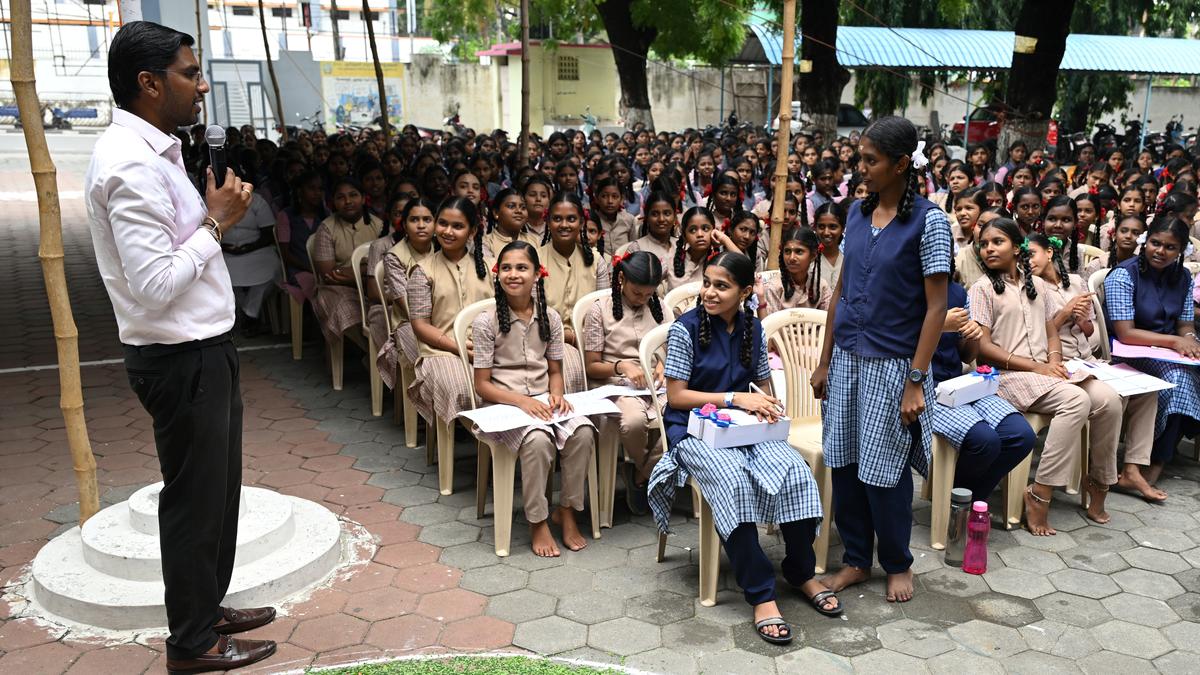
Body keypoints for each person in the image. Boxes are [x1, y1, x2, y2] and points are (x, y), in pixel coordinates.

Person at [86, 21, 276, 672]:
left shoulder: (159, 150)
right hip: (180, 357)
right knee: (194, 502)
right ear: (148, 83)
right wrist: (218, 223)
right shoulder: (127, 165)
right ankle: (191, 644)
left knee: (219, 491)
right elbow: (157, 282)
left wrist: (208, 218)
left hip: (205, 347)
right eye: (189, 74)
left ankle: (208, 604)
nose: (201, 86)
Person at [647, 251, 833, 646]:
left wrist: (767, 406)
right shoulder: (686, 329)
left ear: (745, 291)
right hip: (695, 432)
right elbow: (676, 397)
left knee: (796, 472)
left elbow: (762, 388)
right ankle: (761, 592)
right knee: (733, 483)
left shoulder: (753, 328)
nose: (709, 293)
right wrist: (734, 399)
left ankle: (800, 572)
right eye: (708, 283)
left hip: (744, 429)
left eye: (722, 286)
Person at [811, 116, 951, 604]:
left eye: (870, 160)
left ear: (899, 164)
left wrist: (916, 380)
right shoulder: (855, 213)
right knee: (846, 461)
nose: (862, 168)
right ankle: (855, 559)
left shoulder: (930, 222)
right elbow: (841, 292)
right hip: (848, 358)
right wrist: (825, 359)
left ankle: (896, 561)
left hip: (894, 364)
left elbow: (937, 308)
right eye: (861, 158)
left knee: (884, 466)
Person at [971, 218, 1118, 534]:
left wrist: (1054, 361)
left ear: (1016, 247)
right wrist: (1037, 367)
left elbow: (1052, 326)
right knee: (1077, 401)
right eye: (984, 244)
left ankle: (1098, 481)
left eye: (997, 242)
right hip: (1006, 377)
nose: (989, 249)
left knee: (1109, 400)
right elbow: (981, 348)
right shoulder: (982, 289)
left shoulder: (1036, 284)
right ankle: (1040, 493)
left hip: (1044, 372)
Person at [473, 241, 597, 556]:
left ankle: (567, 511)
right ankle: (537, 521)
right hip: (503, 405)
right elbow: (482, 386)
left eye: (522, 267)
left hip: (543, 401)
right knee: (539, 441)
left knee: (582, 432)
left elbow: (555, 371)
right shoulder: (487, 321)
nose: (514, 274)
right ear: (496, 273)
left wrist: (556, 394)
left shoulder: (551, 318)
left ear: (537, 275)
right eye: (507, 268)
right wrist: (522, 401)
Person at [1027, 234, 1162, 503]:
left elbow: (1088, 329)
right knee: (1113, 398)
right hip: (1061, 362)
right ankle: (1098, 475)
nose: (1027, 261)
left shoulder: (1075, 282)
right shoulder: (1032, 287)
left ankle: (1133, 467)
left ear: (1050, 253)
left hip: (1089, 359)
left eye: (1031, 254)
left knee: (1149, 391)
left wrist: (1081, 318)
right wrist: (1065, 313)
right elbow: (1038, 331)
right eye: (1023, 257)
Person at [1105, 217, 1200, 490]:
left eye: (1170, 247)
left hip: (1169, 353)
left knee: (1187, 373)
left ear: (1182, 250)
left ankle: (1163, 450)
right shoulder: (1125, 274)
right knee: (1180, 382)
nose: (1160, 251)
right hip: (1130, 353)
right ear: (1145, 241)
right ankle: (1152, 466)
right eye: (1155, 243)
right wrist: (1173, 342)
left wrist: (1190, 341)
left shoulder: (1182, 277)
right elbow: (1126, 333)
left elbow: (1185, 324)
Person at [932, 260, 1035, 502]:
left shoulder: (956, 292)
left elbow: (967, 355)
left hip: (957, 384)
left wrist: (974, 337)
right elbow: (894, 339)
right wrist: (937, 325)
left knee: (1021, 435)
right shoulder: (904, 290)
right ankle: (957, 503)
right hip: (921, 388)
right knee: (984, 441)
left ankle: (966, 499)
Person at [582, 251, 671, 514]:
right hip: (615, 385)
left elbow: (673, 347)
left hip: (657, 386)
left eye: (648, 294)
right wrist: (621, 366)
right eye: (636, 293)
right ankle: (648, 470)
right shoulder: (600, 309)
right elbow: (591, 366)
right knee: (633, 421)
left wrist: (663, 364)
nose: (643, 299)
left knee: (689, 418)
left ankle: (641, 473)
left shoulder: (660, 306)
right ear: (622, 279)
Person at [407, 197, 494, 430]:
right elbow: (419, 325)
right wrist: (457, 347)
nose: (447, 231)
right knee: (461, 387)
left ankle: (496, 438)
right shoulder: (423, 271)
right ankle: (480, 437)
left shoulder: (490, 267)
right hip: (441, 351)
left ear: (472, 231)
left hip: (487, 349)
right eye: (443, 223)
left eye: (457, 226)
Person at [538, 192, 611, 393]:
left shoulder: (596, 261)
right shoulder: (534, 259)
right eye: (557, 219)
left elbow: (605, 310)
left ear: (581, 222)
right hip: (548, 342)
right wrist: (569, 337)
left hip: (593, 341)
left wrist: (588, 340)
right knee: (572, 368)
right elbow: (531, 316)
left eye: (571, 219)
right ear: (548, 221)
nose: (564, 225)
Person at [311, 177, 382, 345]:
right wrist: (365, 271)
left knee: (385, 310)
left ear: (363, 198)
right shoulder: (326, 228)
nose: (347, 201)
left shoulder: (379, 225)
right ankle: (369, 354)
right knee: (345, 308)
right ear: (333, 202)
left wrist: (356, 273)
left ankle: (375, 356)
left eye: (353, 195)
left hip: (372, 285)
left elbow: (386, 266)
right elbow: (329, 275)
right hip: (337, 289)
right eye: (340, 197)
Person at [376, 198, 437, 389]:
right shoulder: (394, 256)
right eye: (414, 220)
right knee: (429, 359)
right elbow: (406, 305)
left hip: (444, 316)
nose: (421, 225)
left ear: (436, 223)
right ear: (403, 224)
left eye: (427, 219)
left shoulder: (443, 248)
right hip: (408, 322)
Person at [221, 185, 279, 337]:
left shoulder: (257, 201)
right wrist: (223, 246)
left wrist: (248, 248)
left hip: (256, 250)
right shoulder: (213, 201)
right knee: (222, 279)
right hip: (224, 251)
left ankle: (249, 313)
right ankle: (243, 316)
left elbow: (268, 232)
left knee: (272, 269)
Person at [761, 227, 831, 314]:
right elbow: (770, 325)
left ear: (813, 256)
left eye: (799, 252)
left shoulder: (821, 287)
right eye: (787, 251)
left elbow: (828, 322)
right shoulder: (774, 287)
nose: (791, 258)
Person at [624, 191, 677, 269]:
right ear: (647, 217)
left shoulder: (682, 246)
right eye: (655, 214)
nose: (661, 219)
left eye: (667, 213)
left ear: (675, 217)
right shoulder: (637, 248)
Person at [813, 202, 846, 292]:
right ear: (815, 228)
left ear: (842, 228)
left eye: (833, 227)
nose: (826, 232)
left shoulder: (848, 262)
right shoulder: (809, 261)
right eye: (821, 227)